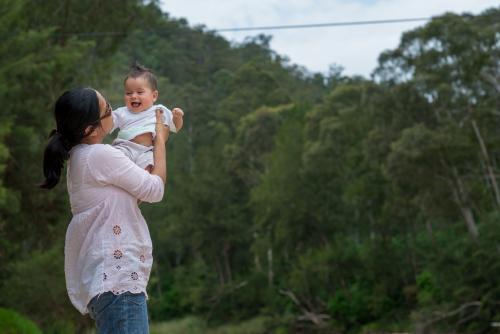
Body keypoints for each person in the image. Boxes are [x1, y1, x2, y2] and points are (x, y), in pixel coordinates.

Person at [40, 87, 169, 333]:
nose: (115, 111)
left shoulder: (81, 158)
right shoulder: (100, 155)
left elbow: (131, 198)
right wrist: (159, 139)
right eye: (108, 109)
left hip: (110, 282)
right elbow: (155, 190)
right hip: (117, 282)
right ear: (90, 129)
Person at [112, 63, 184, 171]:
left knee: (147, 169)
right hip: (124, 146)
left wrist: (177, 117)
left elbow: (175, 127)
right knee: (117, 164)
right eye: (128, 93)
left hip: (147, 151)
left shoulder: (159, 110)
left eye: (140, 92)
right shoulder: (122, 112)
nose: (133, 96)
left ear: (154, 96)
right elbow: (107, 124)